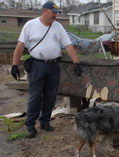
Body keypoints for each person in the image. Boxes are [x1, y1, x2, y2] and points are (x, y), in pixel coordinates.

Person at [10, 1, 82, 138]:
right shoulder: (30, 25)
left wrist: (76, 63)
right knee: (35, 96)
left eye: (56, 13)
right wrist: (14, 65)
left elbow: (68, 45)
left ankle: (45, 122)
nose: (55, 16)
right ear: (44, 11)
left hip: (54, 66)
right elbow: (20, 46)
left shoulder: (58, 26)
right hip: (37, 65)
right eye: (52, 13)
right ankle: (30, 125)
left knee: (51, 96)